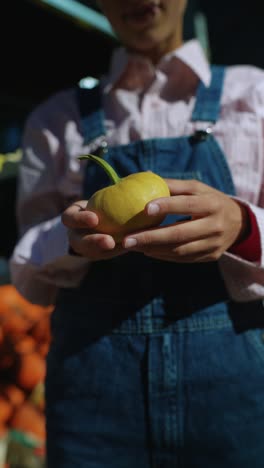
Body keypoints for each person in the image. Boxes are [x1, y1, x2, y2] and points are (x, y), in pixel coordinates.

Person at [10, 0, 264, 466]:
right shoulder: (55, 120)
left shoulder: (255, 94)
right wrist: (71, 239)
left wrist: (244, 225)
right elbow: (28, 273)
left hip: (235, 397)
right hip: (94, 404)